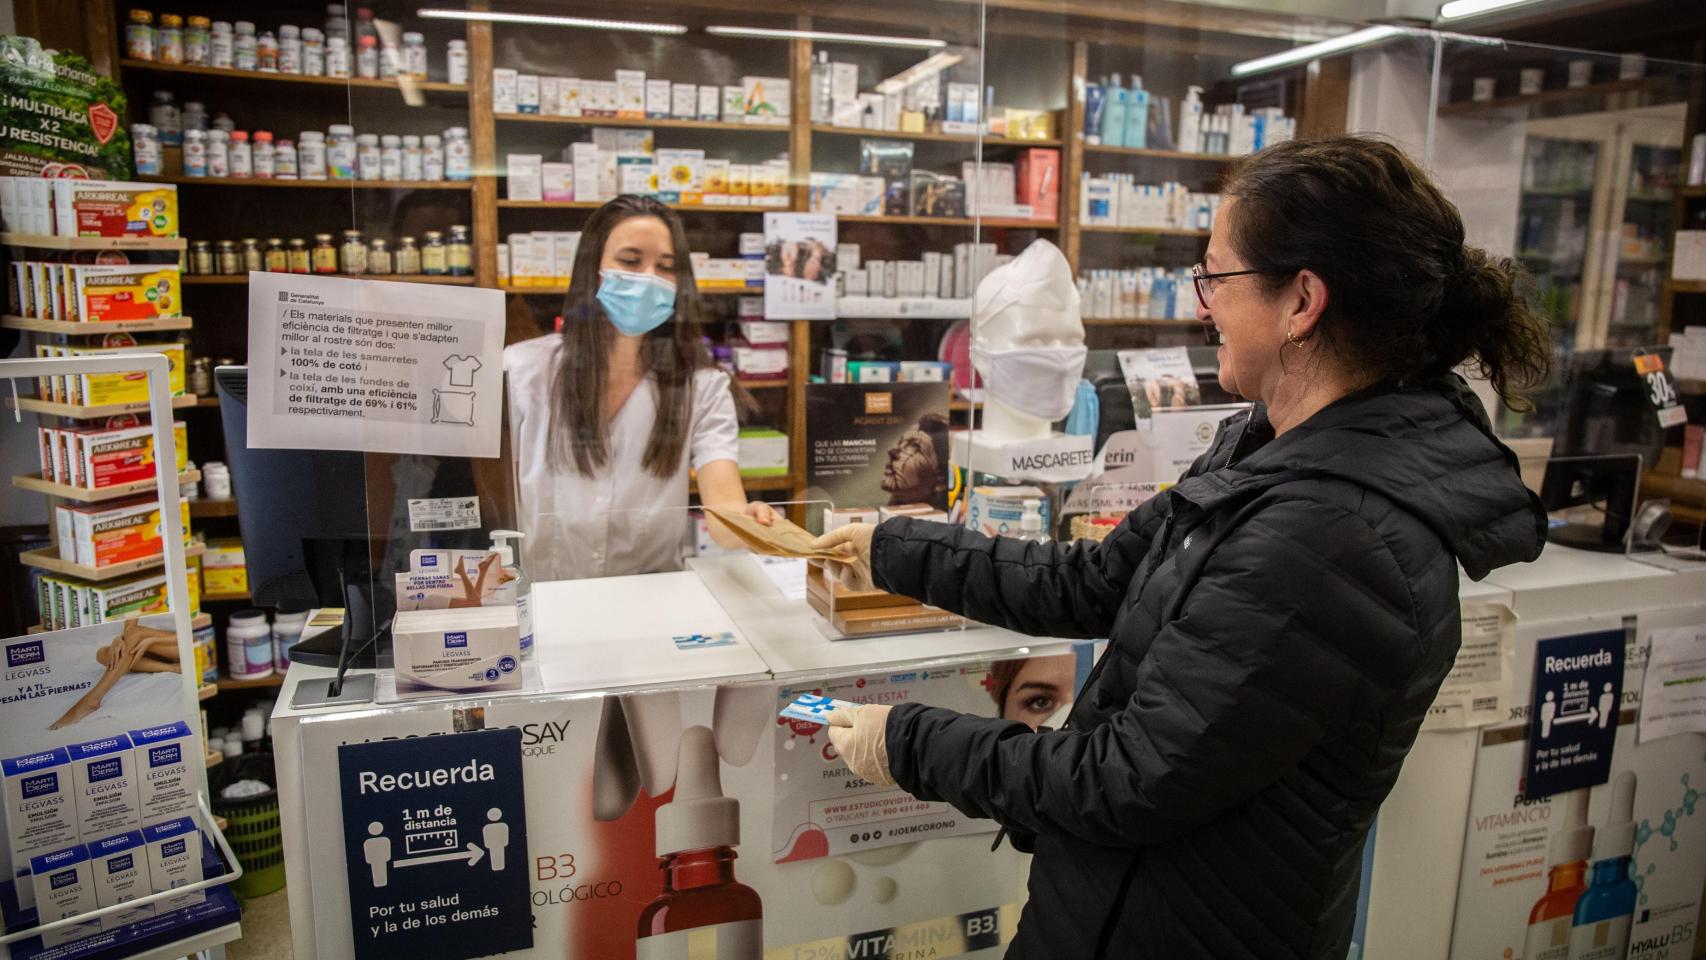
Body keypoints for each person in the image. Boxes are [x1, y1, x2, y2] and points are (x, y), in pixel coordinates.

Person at [812, 136, 1551, 959]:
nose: (1201, 304)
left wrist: (908, 742)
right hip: (1118, 908)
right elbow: (1095, 581)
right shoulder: (1269, 444)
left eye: (1216, 276)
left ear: (1301, 301)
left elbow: (1125, 781)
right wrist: (895, 547)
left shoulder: (1328, 533)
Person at [505, 196, 774, 580]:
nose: (649, 278)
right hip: (544, 600)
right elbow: (490, 499)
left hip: (651, 603)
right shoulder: (521, 371)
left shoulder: (703, 386)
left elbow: (725, 510)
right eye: (630, 262)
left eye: (666, 267)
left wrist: (749, 523)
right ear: (592, 268)